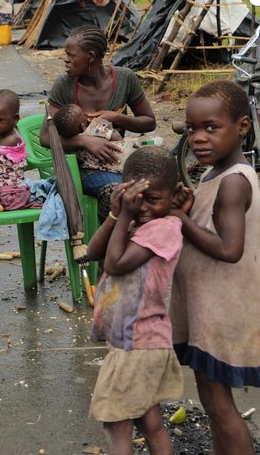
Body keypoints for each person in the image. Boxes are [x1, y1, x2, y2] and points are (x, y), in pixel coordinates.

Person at [170, 80, 260, 454]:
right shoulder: (213, 175)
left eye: (211, 128)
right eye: (192, 129)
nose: (199, 138)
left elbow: (229, 249)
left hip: (223, 309)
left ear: (242, 127)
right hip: (208, 305)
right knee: (210, 395)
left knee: (221, 406)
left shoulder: (235, 183)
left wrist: (180, 219)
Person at [86, 146, 184, 455]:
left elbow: (114, 263)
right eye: (136, 199)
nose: (143, 207)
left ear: (174, 195)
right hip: (136, 343)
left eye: (153, 200)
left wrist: (126, 214)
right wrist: (116, 213)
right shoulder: (134, 221)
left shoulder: (164, 228)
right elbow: (93, 252)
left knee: (119, 427)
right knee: (149, 421)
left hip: (138, 344)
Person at [42, 25, 156, 219]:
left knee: (158, 187)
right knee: (117, 191)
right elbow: (46, 137)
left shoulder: (124, 79)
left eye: (71, 55)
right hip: (84, 169)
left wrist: (118, 117)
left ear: (91, 56)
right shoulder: (64, 85)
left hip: (121, 160)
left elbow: (149, 122)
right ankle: (108, 246)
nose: (66, 60)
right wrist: (84, 141)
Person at [54, 103, 146, 172]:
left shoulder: (71, 144)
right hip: (121, 158)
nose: (86, 113)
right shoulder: (95, 129)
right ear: (82, 126)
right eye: (83, 114)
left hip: (101, 168)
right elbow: (117, 137)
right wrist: (102, 123)